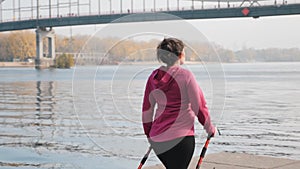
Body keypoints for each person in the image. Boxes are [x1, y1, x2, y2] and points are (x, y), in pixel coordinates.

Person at [142, 38, 215, 169]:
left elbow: (147, 110)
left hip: (158, 139)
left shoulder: (153, 78)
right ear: (180, 55)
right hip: (181, 139)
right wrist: (209, 128)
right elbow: (199, 106)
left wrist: (149, 133)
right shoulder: (186, 76)